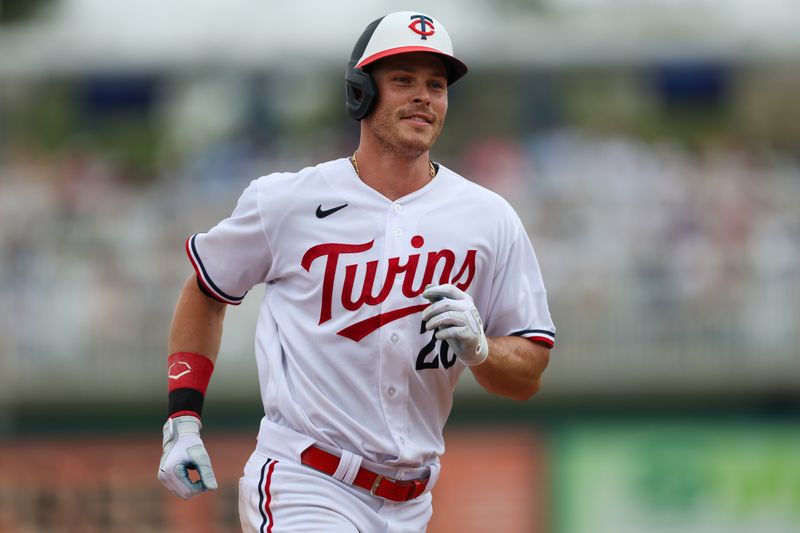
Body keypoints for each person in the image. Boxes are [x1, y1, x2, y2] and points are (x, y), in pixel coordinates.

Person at [158, 11, 555, 533]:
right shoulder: (287, 201)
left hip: (412, 503)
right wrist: (182, 420)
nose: (424, 97)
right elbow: (207, 289)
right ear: (360, 92)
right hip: (305, 479)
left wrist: (483, 349)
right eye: (403, 81)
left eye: (436, 85)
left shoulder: (488, 217)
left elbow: (528, 372)